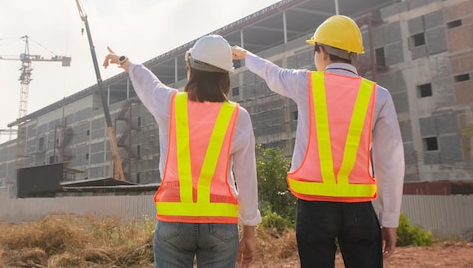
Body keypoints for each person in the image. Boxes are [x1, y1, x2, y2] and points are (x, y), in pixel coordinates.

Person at [232, 15, 405, 268]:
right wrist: (389, 218)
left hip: (314, 207)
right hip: (359, 207)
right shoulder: (378, 95)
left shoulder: (307, 83)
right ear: (353, 55)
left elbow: (273, 73)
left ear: (321, 51)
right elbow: (390, 161)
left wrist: (247, 56)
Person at [103, 35, 261, 268]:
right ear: (226, 76)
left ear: (190, 69)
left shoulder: (169, 104)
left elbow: (148, 83)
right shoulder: (239, 117)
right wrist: (249, 231)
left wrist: (126, 62)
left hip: (173, 221)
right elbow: (247, 179)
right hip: (220, 224)